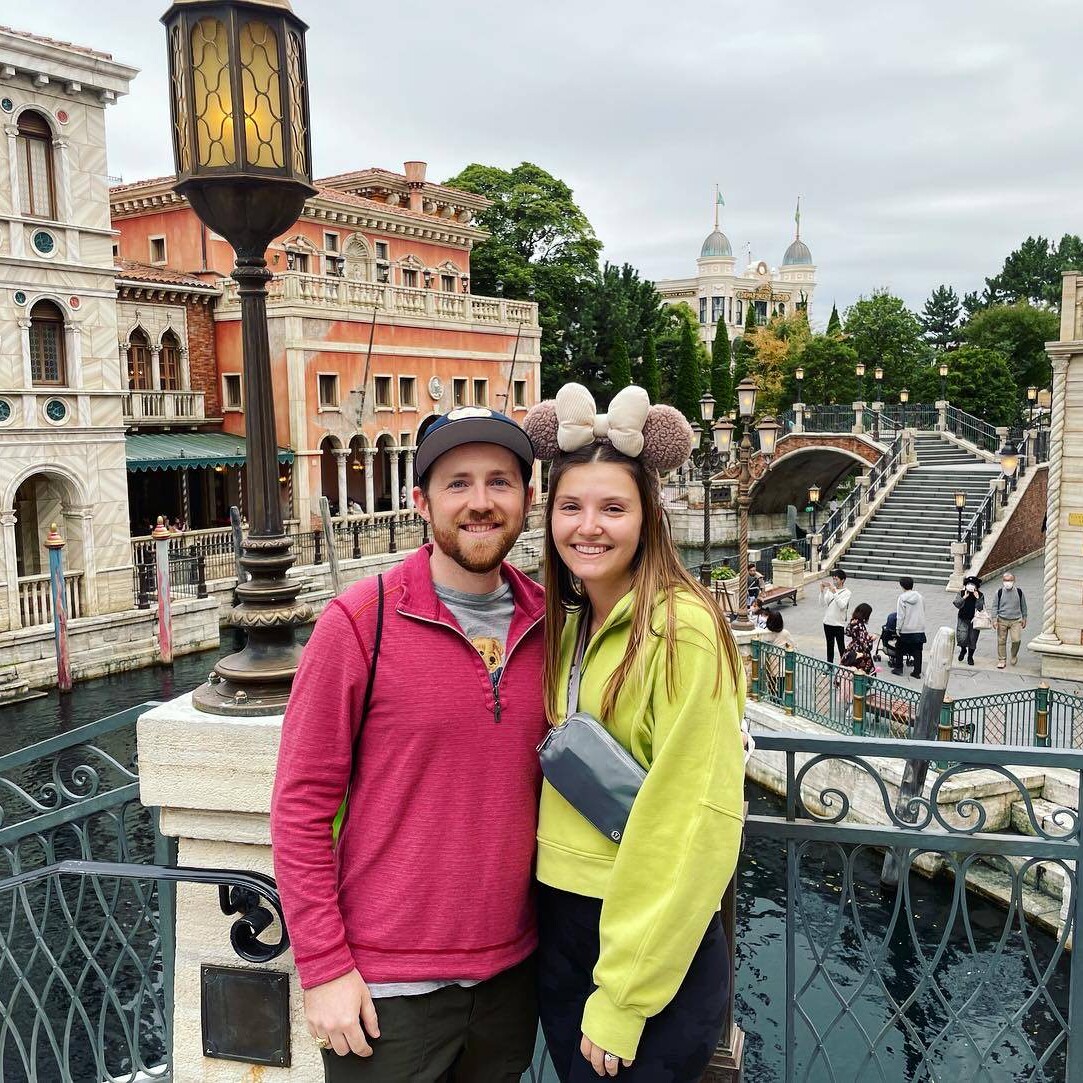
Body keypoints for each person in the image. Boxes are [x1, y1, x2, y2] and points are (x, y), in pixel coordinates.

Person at [270, 406, 544, 1081]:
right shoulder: (359, 622)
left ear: (527, 497)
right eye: (457, 483)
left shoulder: (553, 623)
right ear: (421, 501)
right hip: (385, 991)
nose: (480, 502)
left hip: (513, 977)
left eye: (499, 482)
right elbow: (300, 807)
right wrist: (323, 966)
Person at [524, 384, 745, 1082]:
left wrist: (623, 996)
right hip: (565, 930)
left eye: (613, 508)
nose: (588, 527)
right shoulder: (568, 623)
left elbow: (691, 821)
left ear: (648, 516)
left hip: (639, 952)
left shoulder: (683, 630)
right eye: (570, 507)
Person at [992, 570, 1028, 668]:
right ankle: (1002, 659)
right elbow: (994, 606)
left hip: (1016, 620)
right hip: (1002, 619)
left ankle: (1014, 654)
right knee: (1001, 641)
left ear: (1014, 580)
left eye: (1010, 580)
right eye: (1005, 580)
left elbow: (1023, 606)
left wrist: (1024, 618)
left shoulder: (1019, 592)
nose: (1007, 582)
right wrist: (994, 620)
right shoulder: (999, 592)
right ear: (1003, 581)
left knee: (1016, 640)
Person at [894, 576, 926, 679]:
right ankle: (917, 672)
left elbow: (900, 615)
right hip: (919, 628)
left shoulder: (902, 598)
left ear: (902, 586)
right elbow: (923, 610)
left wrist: (898, 628)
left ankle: (899, 668)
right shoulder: (920, 597)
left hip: (906, 628)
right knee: (918, 650)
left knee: (899, 647)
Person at [819, 569, 851, 664]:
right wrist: (822, 591)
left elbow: (842, 605)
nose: (834, 581)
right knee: (830, 646)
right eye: (833, 579)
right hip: (827, 622)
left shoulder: (847, 592)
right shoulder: (830, 590)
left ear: (842, 580)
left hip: (838, 623)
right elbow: (822, 604)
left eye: (836, 579)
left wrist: (834, 593)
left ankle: (844, 666)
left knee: (841, 646)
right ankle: (829, 666)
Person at [953, 575, 986, 666]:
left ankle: (970, 656)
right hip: (963, 618)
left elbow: (980, 608)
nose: (970, 585)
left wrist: (977, 598)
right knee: (962, 637)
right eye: (969, 584)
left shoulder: (980, 595)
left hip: (975, 620)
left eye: (972, 584)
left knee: (973, 639)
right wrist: (964, 597)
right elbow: (956, 604)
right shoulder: (962, 593)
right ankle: (963, 650)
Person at [839, 602, 876, 675]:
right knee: (862, 673)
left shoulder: (853, 621)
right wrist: (872, 639)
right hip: (859, 652)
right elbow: (866, 645)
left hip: (851, 649)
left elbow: (847, 632)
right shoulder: (860, 625)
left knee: (849, 670)